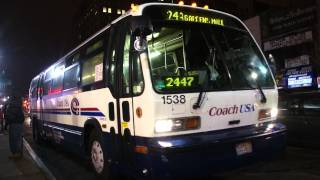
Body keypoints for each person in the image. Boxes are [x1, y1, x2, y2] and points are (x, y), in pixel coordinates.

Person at [4, 91, 25, 159]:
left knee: (14, 139)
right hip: (18, 123)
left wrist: (7, 123)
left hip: (14, 123)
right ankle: (18, 153)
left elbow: (10, 114)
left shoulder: (13, 104)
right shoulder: (18, 103)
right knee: (18, 138)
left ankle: (16, 153)